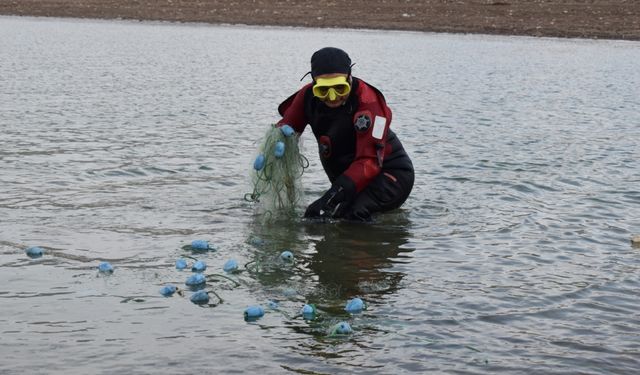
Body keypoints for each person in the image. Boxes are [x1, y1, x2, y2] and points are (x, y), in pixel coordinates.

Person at [277, 47, 414, 222]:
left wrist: (330, 197)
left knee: (353, 215)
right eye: (323, 90)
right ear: (313, 84)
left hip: (390, 176)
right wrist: (276, 142)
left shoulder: (369, 103)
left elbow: (369, 162)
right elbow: (287, 126)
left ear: (349, 77)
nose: (333, 97)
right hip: (349, 178)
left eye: (340, 88)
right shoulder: (307, 96)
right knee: (330, 218)